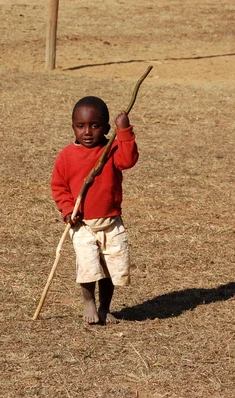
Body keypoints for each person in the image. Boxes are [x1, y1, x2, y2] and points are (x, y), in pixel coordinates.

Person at [51, 96, 139, 324]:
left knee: (110, 267)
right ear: (73, 127)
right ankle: (88, 302)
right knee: (89, 265)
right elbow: (59, 187)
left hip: (111, 222)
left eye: (95, 126)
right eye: (80, 126)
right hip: (82, 225)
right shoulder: (66, 156)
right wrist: (69, 210)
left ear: (106, 128)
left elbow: (128, 160)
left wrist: (124, 131)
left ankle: (104, 307)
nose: (87, 132)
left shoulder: (112, 150)